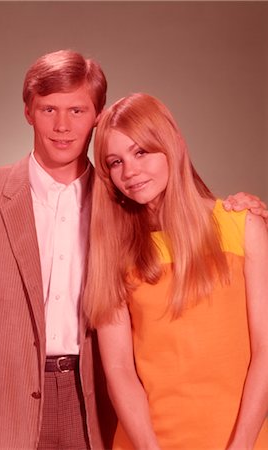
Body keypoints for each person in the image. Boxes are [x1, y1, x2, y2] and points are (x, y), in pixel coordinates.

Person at [0, 50, 267, 450]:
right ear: (28, 111)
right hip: (2, 413)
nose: (62, 126)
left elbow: (191, 217)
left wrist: (243, 212)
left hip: (99, 409)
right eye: (49, 109)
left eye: (77, 110)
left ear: (97, 116)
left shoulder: (123, 205)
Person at [84, 92, 268, 449]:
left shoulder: (243, 227)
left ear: (172, 145)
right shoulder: (113, 252)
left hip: (242, 440)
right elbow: (119, 371)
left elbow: (266, 349)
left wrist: (243, 444)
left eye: (140, 152)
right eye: (115, 162)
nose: (130, 171)